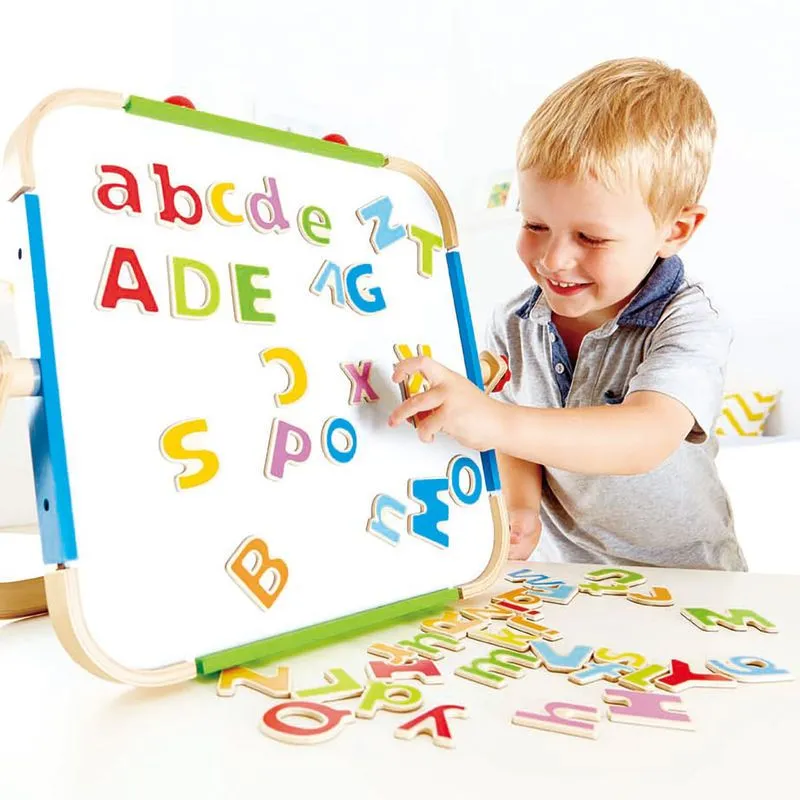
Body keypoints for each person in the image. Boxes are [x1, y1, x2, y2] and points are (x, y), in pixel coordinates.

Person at [388, 57, 747, 571]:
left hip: (691, 581)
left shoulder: (688, 320)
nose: (553, 259)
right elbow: (518, 432)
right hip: (567, 578)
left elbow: (644, 437)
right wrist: (520, 503)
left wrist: (493, 420)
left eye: (590, 237)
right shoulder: (512, 322)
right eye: (535, 225)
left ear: (676, 230)